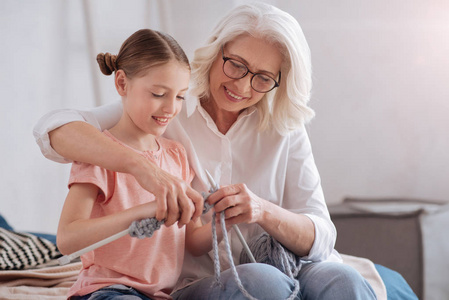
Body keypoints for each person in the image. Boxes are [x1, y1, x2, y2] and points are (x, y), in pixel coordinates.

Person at [35, 3, 418, 300]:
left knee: (343, 279)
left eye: (263, 77)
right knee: (263, 282)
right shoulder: (168, 110)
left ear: (279, 82)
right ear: (217, 52)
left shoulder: (284, 128)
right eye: (236, 65)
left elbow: (321, 237)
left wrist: (261, 211)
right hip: (202, 280)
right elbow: (54, 130)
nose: (244, 85)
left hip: (287, 261)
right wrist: (144, 170)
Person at [56, 28, 204, 300]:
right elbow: (67, 239)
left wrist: (225, 220)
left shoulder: (177, 155)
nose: (171, 108)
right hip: (106, 290)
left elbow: (193, 241)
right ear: (122, 84)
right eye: (159, 94)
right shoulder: (99, 154)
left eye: (180, 96)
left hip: (161, 294)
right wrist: (146, 211)